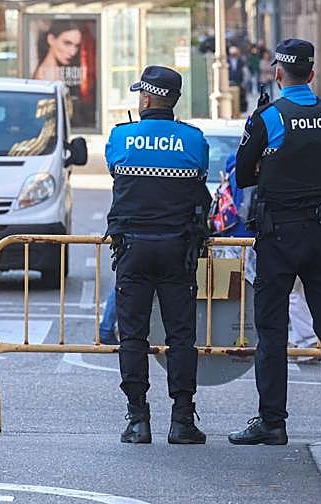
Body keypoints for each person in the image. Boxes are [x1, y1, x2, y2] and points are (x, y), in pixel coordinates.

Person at [228, 38, 321, 446]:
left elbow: (243, 175)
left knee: (272, 330)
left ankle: (273, 421)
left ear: (277, 74)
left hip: (278, 234)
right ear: (311, 74)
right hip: (319, 231)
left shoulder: (269, 117)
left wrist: (268, 164)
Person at [105, 66, 212, 446]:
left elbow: (114, 169)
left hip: (133, 250)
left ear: (146, 99)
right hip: (177, 251)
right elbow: (200, 176)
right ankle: (182, 419)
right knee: (182, 335)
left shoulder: (121, 137)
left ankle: (138, 419)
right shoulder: (194, 141)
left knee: (132, 335)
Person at [228, 45, 249, 113]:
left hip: (239, 83)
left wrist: (243, 83)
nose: (234, 56)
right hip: (229, 84)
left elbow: (245, 73)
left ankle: (239, 111)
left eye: (235, 54)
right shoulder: (226, 62)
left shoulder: (241, 62)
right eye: (232, 54)